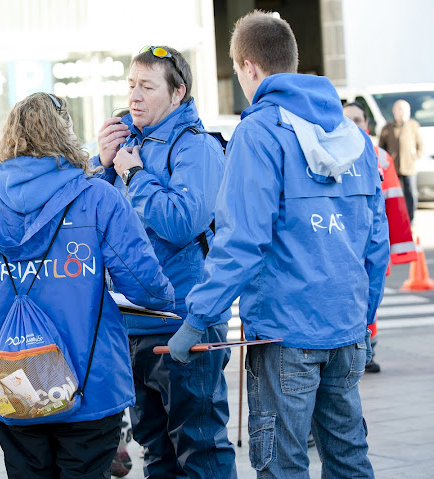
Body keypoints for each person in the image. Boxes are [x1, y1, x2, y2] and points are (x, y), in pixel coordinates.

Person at [168, 11, 389, 478]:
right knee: (349, 460)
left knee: (281, 466)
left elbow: (241, 240)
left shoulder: (259, 132)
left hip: (285, 333)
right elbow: (375, 242)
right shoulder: (353, 137)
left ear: (249, 67)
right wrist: (365, 319)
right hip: (347, 328)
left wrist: (198, 319)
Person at [0, 92, 175, 478]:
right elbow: (145, 285)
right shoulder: (97, 197)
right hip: (90, 383)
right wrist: (173, 299)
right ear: (65, 134)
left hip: (17, 383)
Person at [91, 46, 235, 478]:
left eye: (148, 87)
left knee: (201, 450)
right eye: (131, 84)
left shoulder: (196, 147)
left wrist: (134, 175)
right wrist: (101, 167)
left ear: (178, 93)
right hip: (131, 326)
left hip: (183, 323)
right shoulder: (127, 146)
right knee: (156, 453)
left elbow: (181, 222)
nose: (134, 96)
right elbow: (89, 223)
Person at [344, 101, 417, 373]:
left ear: (367, 124)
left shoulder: (381, 158)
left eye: (358, 120)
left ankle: (368, 350)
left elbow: (394, 202)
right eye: (347, 119)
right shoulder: (327, 153)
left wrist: (397, 245)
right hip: (344, 243)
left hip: (373, 242)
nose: (353, 125)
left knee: (370, 295)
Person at [379, 99, 424, 223]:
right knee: (395, 196)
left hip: (409, 168)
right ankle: (396, 220)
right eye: (400, 109)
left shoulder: (413, 125)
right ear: (394, 111)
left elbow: (420, 145)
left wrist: (414, 156)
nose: (402, 112)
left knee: (411, 194)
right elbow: (381, 148)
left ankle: (411, 221)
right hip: (393, 168)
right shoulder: (387, 128)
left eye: (405, 110)